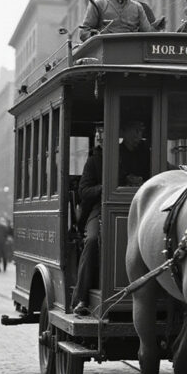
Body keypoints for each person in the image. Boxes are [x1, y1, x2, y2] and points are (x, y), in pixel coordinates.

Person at [72, 130, 104, 317]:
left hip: (131, 206)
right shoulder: (93, 161)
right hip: (98, 209)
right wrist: (103, 188)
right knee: (92, 241)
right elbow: (83, 191)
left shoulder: (135, 154)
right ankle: (82, 297)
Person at [119, 120, 150, 187]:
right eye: (136, 131)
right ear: (123, 132)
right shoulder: (116, 152)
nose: (138, 137)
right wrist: (126, 178)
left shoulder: (145, 152)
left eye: (140, 132)